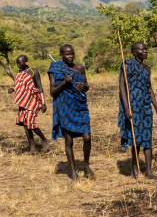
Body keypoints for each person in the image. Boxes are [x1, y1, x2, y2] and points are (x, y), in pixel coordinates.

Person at [119, 42, 157, 179]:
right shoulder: (126, 65)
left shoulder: (147, 68)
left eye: (146, 49)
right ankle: (135, 169)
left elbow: (149, 89)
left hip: (145, 107)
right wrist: (126, 108)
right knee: (135, 139)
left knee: (147, 139)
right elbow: (122, 87)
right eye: (142, 49)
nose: (145, 51)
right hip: (133, 106)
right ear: (134, 52)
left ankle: (148, 172)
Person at [48, 45, 93, 180]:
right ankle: (73, 172)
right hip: (65, 108)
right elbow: (52, 92)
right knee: (69, 140)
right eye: (67, 54)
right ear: (61, 55)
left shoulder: (79, 68)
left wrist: (84, 86)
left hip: (80, 106)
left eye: (72, 54)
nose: (71, 56)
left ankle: (86, 166)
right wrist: (64, 82)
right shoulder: (55, 69)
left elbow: (86, 87)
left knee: (87, 138)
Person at [8, 55, 49, 154]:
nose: (18, 64)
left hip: (33, 100)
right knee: (25, 124)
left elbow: (40, 87)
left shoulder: (33, 72)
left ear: (26, 62)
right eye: (17, 62)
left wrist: (43, 102)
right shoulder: (20, 73)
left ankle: (44, 140)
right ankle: (32, 148)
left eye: (20, 62)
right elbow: (20, 87)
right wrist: (12, 89)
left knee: (30, 122)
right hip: (23, 101)